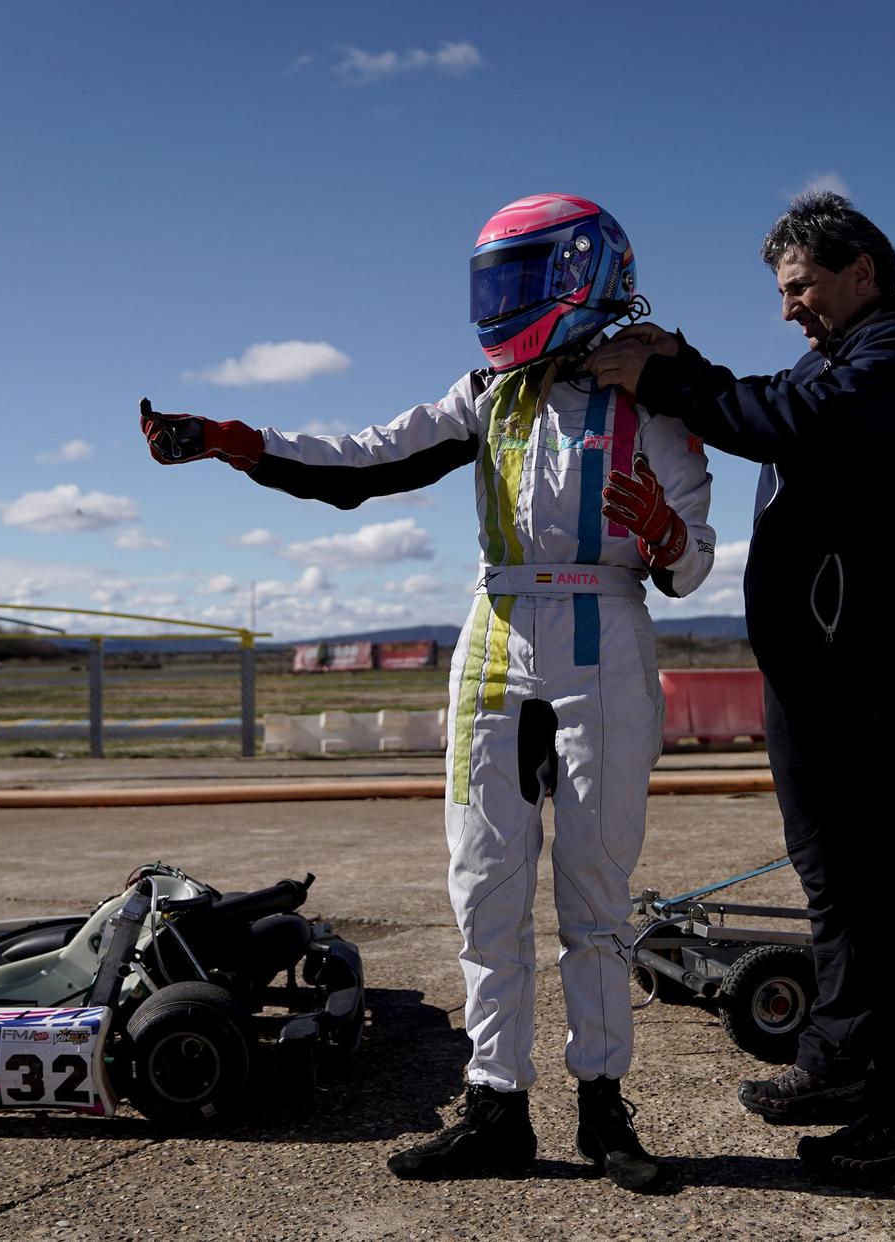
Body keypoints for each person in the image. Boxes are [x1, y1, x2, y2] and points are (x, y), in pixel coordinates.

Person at [139, 193, 715, 1191]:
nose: (501, 304)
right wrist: (242, 442)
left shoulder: (658, 401)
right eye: (494, 281)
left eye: (521, 280)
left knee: (595, 895)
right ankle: (495, 1107)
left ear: (583, 274)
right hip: (492, 641)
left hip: (607, 639)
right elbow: (361, 462)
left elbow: (694, 566)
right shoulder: (484, 396)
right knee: (483, 893)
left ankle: (602, 1111)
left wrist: (664, 533)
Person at [586, 190, 895, 1186]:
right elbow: (768, 397)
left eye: (799, 287)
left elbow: (783, 418)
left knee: (879, 893)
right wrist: (687, 373)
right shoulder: (837, 354)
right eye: (781, 291)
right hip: (813, 668)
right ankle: (839, 1063)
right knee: (831, 879)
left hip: (878, 665)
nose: (787, 308)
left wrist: (676, 374)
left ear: (861, 273)